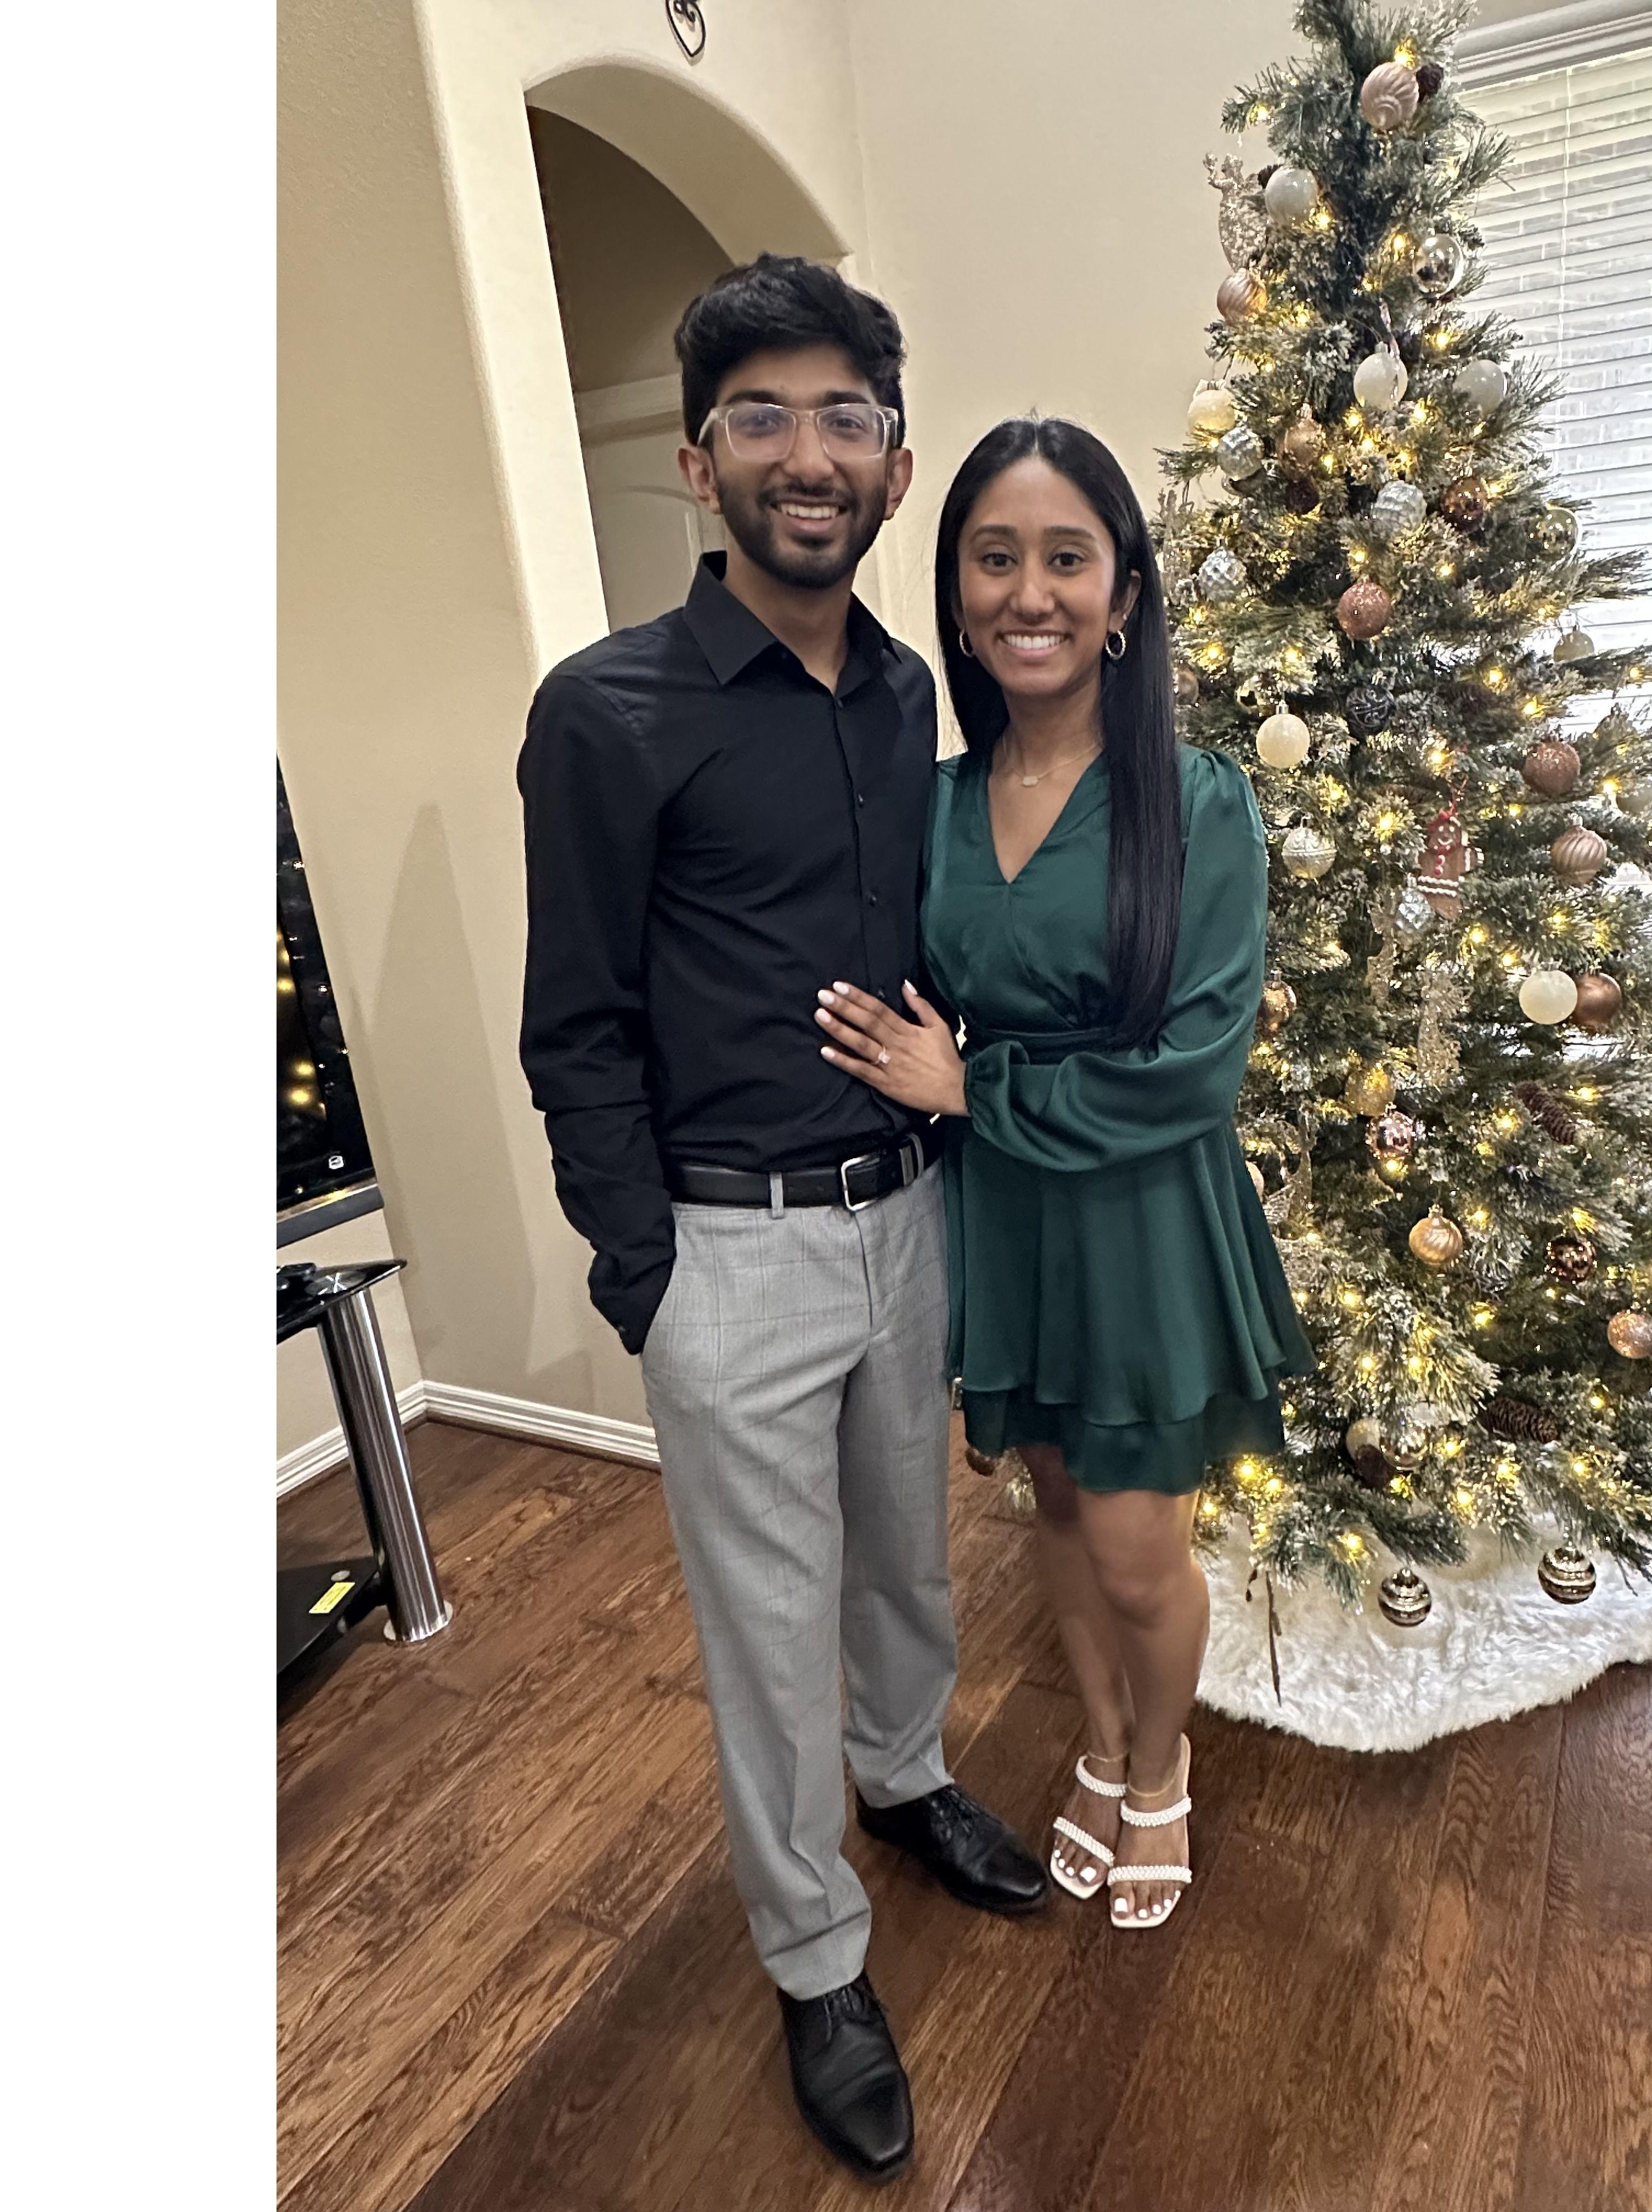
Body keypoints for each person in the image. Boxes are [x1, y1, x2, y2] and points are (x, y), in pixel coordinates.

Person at [516, 256, 1044, 2187]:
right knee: (764, 1628)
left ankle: (905, 1782)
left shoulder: (910, 694)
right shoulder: (606, 713)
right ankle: (815, 1958)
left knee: (908, 1565)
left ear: (895, 466)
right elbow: (575, 1022)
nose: (805, 455)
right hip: (724, 1250)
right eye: (762, 418)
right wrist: (643, 1274)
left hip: (909, 1218)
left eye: (844, 419)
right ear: (697, 461)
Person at [813, 417, 1315, 1936]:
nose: (1028, 592)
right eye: (994, 558)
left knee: (1139, 1550)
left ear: (1123, 594)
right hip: (1011, 1220)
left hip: (1146, 1220)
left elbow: (1198, 1067)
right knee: (1054, 1512)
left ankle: (1163, 1768)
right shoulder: (939, 804)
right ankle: (1100, 1747)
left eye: (1065, 558)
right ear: (959, 595)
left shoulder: (1200, 800)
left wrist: (975, 1086)